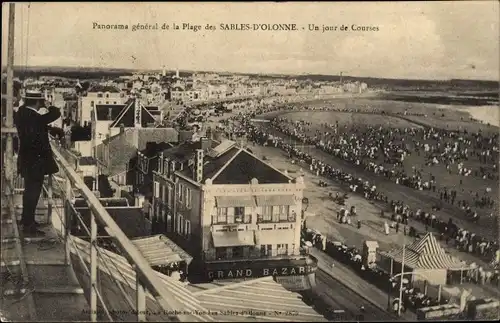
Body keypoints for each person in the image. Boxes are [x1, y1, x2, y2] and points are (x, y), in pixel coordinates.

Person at [14, 90, 61, 236]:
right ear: (37, 102)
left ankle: (27, 220)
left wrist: (50, 129)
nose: (42, 103)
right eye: (41, 101)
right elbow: (55, 114)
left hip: (27, 160)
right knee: (33, 193)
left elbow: (36, 127)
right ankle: (29, 226)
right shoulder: (34, 116)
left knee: (29, 192)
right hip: (36, 162)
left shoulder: (22, 113)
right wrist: (48, 105)